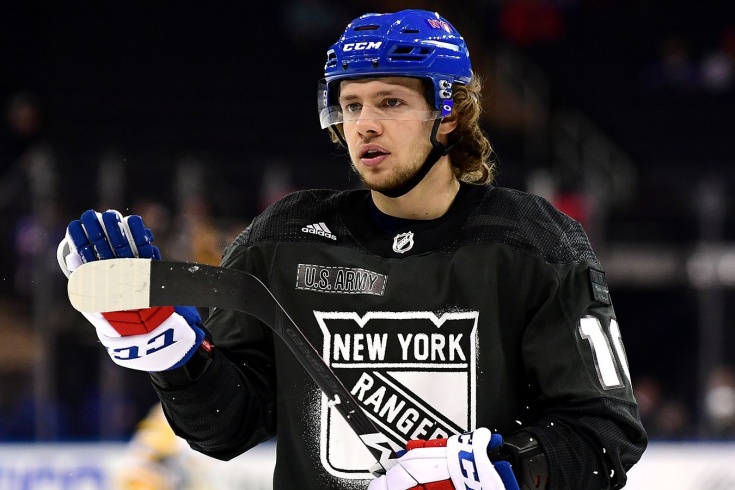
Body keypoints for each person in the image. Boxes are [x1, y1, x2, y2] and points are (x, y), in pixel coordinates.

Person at [57, 9, 647, 490]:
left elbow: (605, 434)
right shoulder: (284, 239)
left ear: (448, 114)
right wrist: (175, 359)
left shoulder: (533, 244)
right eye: (352, 104)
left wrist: (499, 471)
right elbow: (225, 430)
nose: (365, 124)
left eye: (391, 102)